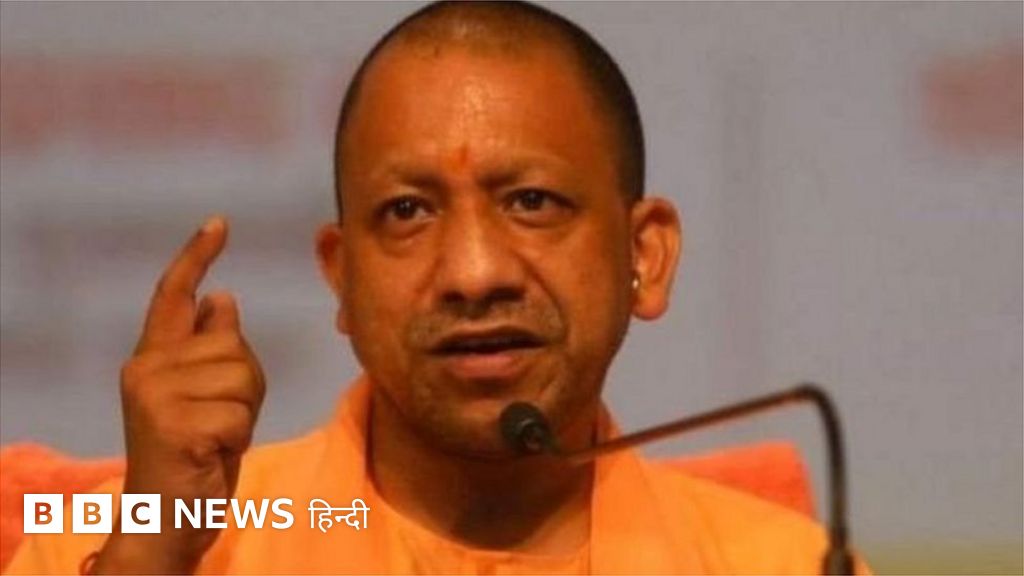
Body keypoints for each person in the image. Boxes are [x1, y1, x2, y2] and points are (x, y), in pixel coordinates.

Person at [8, 2, 859, 574]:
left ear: (647, 255)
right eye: (408, 211)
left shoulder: (786, 566)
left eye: (531, 202)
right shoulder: (134, 543)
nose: (473, 274)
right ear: (342, 277)